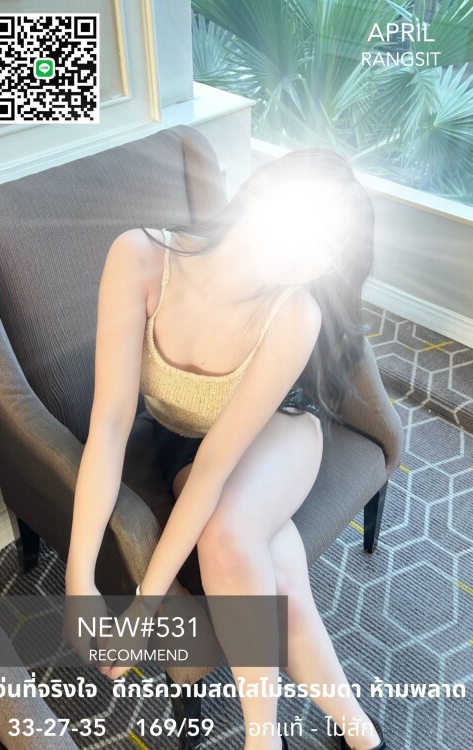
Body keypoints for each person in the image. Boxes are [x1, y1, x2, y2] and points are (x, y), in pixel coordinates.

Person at [65, 148, 386, 750]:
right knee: (279, 568)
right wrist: (79, 576)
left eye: (328, 249)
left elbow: (217, 466)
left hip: (283, 430)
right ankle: (360, 731)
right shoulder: (139, 256)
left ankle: (262, 740)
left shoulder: (296, 311)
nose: (306, 254)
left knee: (229, 535)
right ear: (262, 188)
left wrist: (143, 609)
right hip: (183, 442)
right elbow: (109, 424)